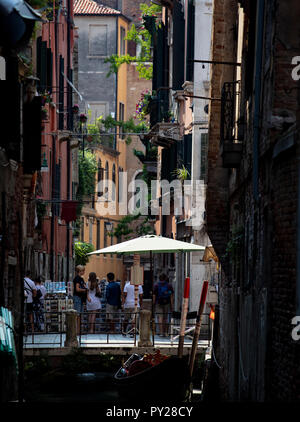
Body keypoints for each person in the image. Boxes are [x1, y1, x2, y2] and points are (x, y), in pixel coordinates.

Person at [73, 265, 89, 334]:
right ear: (80, 271)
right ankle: (77, 331)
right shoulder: (77, 279)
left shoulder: (81, 279)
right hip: (77, 297)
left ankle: (79, 330)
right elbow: (77, 289)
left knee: (80, 314)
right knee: (78, 315)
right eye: (83, 270)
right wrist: (84, 290)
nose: (84, 272)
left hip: (81, 298)